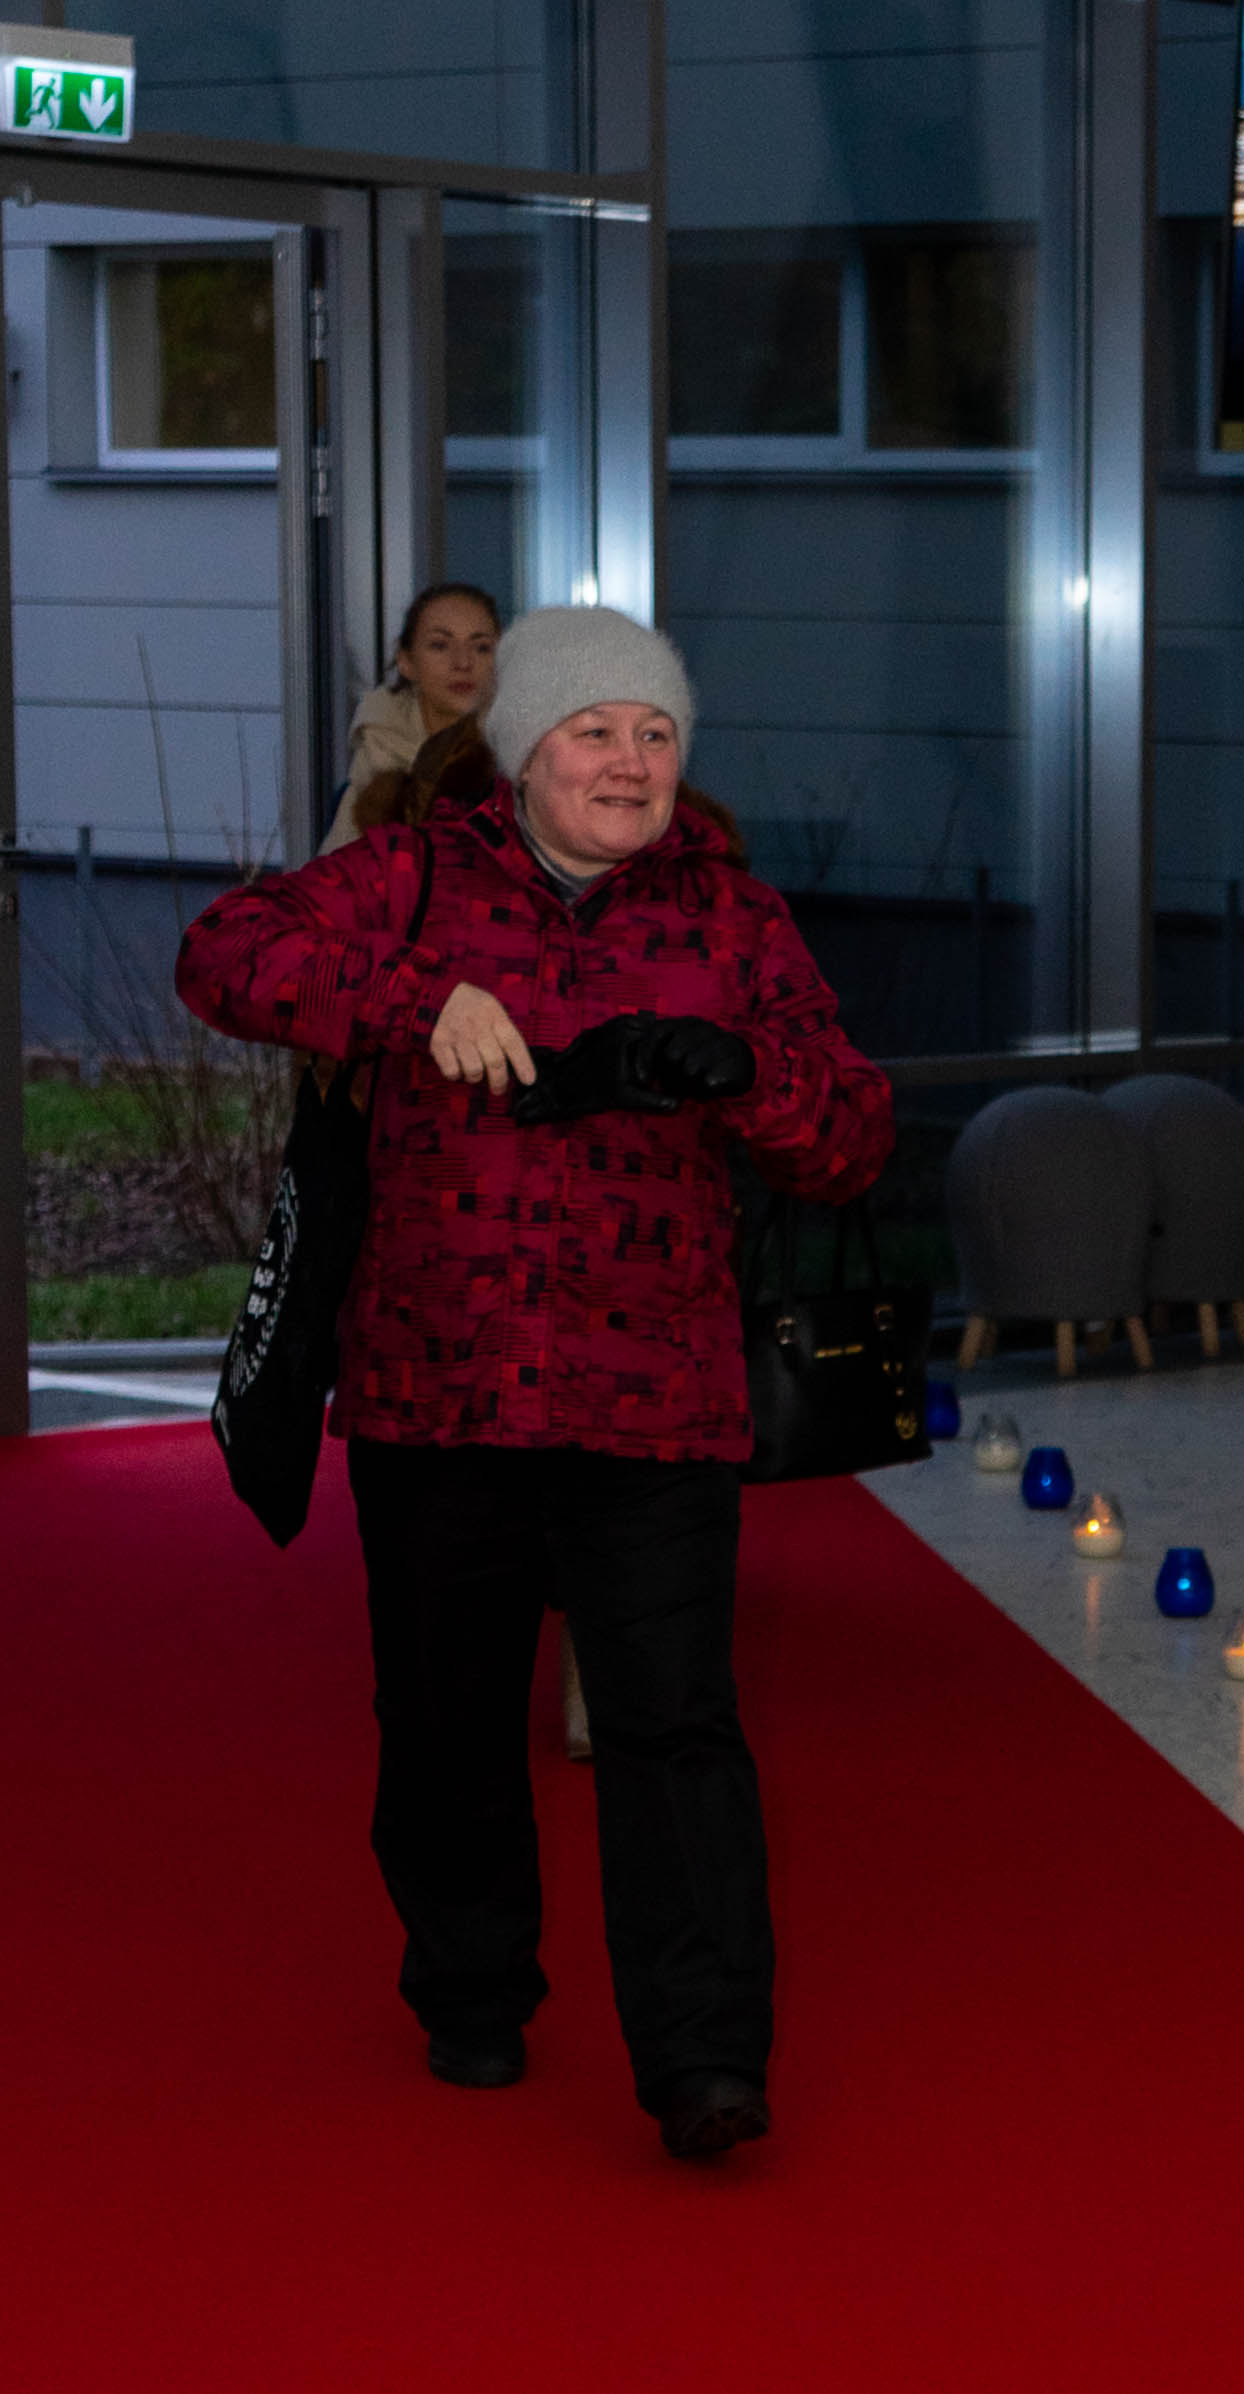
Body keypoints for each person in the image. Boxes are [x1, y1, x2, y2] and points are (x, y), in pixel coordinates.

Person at [178, 603, 892, 2161]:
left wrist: (751, 1082)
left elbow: (851, 1134)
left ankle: (705, 2058)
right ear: (522, 751)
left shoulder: (732, 918)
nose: (630, 762)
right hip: (441, 1389)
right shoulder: (415, 878)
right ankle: (472, 1987)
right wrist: (411, 1002)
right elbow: (221, 951)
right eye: (594, 731)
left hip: (656, 1400)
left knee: (676, 1727)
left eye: (655, 732)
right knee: (446, 1716)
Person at [326, 578, 502, 847]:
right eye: (440, 645)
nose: (463, 662)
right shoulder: (380, 744)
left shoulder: (521, 753)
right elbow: (339, 863)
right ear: (406, 662)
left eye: (481, 647)